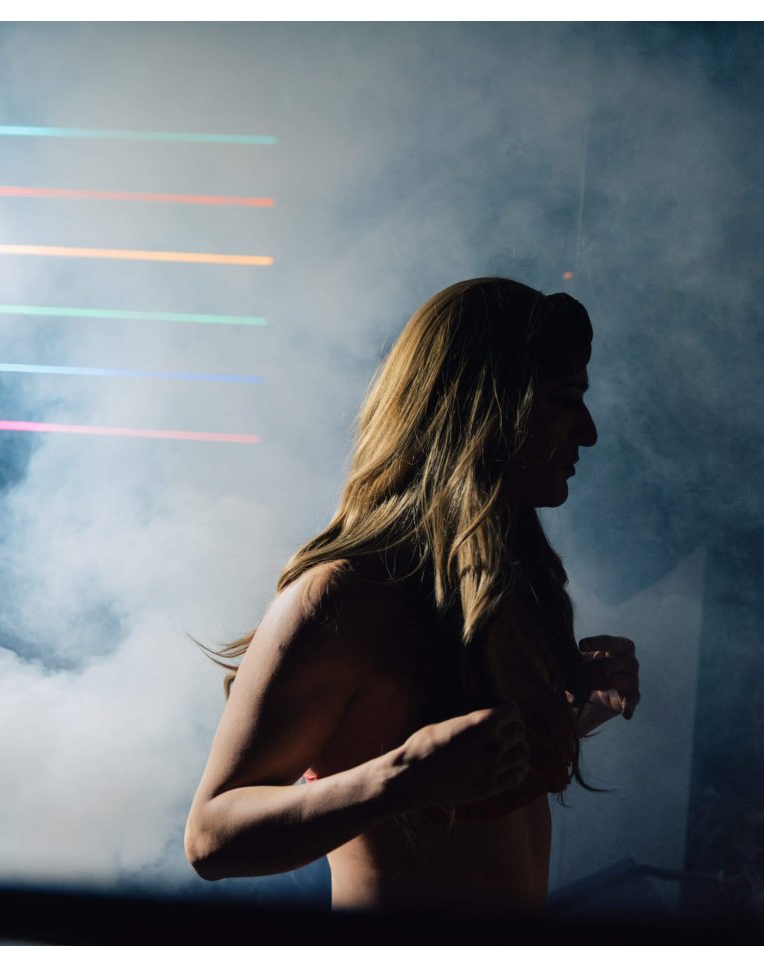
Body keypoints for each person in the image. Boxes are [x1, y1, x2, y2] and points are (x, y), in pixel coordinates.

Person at [184, 277, 641, 913]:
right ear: (483, 411)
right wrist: (401, 778)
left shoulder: (502, 588)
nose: (587, 433)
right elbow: (212, 837)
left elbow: (467, 804)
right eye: (564, 401)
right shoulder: (345, 596)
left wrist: (568, 713)